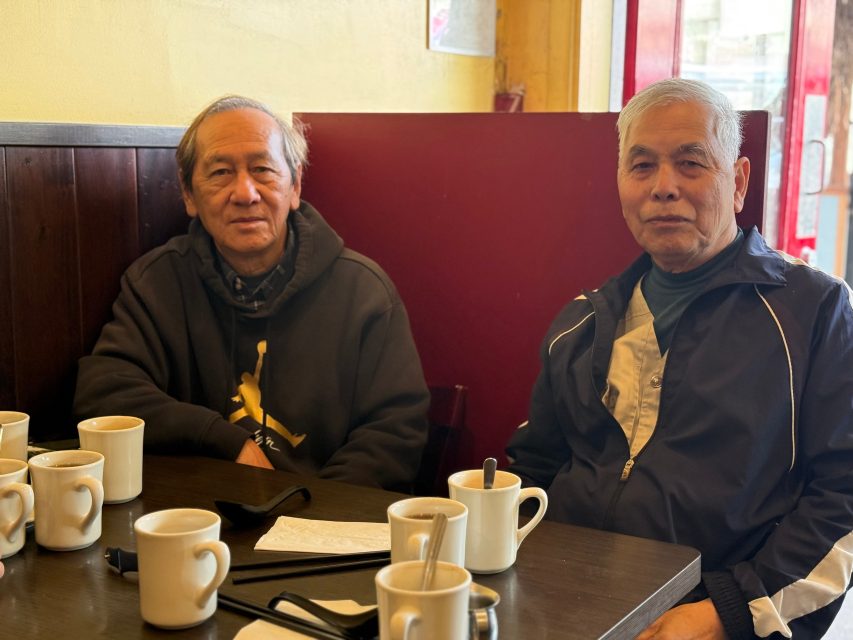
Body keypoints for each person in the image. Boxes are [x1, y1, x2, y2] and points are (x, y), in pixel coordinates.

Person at [506, 78, 853, 639]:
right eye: (642, 166)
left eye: (691, 163)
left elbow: (844, 496)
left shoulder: (815, 310)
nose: (663, 187)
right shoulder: (582, 321)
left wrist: (729, 613)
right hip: (563, 605)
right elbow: (532, 470)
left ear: (738, 182)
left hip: (717, 613)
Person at [74, 96, 429, 490]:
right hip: (199, 514)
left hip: (329, 518)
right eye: (221, 172)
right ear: (189, 195)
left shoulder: (363, 292)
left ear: (295, 185)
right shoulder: (157, 282)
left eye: (263, 169)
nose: (245, 193)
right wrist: (223, 439)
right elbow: (104, 395)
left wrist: (312, 512)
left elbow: (394, 431)